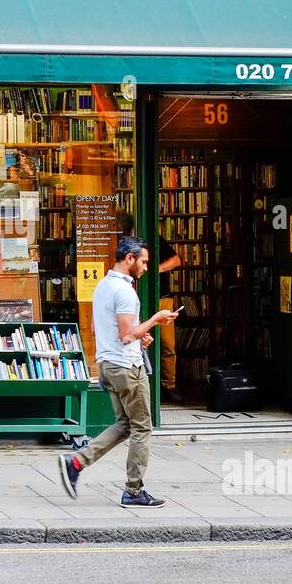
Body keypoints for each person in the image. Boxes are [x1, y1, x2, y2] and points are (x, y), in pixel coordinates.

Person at [57, 236, 179, 508]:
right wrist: (156, 320)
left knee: (124, 425)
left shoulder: (104, 285)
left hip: (109, 364)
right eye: (144, 262)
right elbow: (126, 335)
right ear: (130, 259)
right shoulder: (125, 291)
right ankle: (133, 491)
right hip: (126, 367)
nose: (147, 267)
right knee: (142, 427)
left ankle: (76, 462)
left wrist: (141, 335)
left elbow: (118, 330)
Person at [118, 213, 182, 401]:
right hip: (134, 299)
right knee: (136, 338)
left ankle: (168, 385)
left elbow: (176, 260)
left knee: (167, 345)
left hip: (160, 298)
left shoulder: (153, 242)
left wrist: (155, 270)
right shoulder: (121, 247)